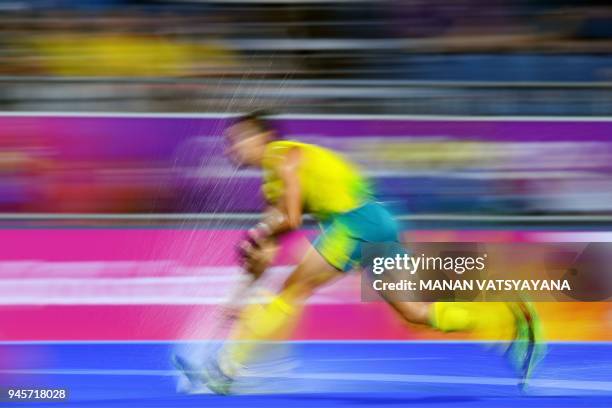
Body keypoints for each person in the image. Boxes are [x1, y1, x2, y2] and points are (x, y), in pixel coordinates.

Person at [188, 111, 543, 394]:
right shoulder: (272, 180)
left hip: (356, 223)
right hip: (379, 221)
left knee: (293, 291)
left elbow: (290, 220)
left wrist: (259, 234)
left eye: (235, 140)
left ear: (261, 137)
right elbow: (265, 249)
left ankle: (226, 368)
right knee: (415, 312)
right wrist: (239, 295)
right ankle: (509, 318)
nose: (230, 149)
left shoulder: (284, 154)